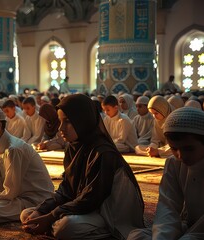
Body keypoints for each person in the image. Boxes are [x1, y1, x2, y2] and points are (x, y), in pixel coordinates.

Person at [21, 94, 144, 239]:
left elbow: (91, 199)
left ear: (83, 121)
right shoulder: (73, 147)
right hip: (83, 205)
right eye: (60, 121)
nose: (61, 128)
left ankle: (106, 231)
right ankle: (52, 223)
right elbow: (67, 189)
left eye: (67, 121)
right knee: (28, 214)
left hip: (106, 210)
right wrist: (43, 211)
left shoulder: (103, 153)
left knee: (65, 227)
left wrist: (51, 216)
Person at [128, 107, 204, 240]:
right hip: (189, 225)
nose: (181, 156)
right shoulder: (173, 163)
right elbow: (168, 206)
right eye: (174, 149)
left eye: (189, 148)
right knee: (136, 236)